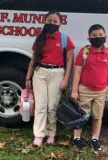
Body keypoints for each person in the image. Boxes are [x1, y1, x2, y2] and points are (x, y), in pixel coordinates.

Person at [25, 11, 75, 147]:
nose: (52, 23)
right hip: (40, 72)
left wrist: (66, 79)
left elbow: (70, 61)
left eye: (55, 21)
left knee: (52, 106)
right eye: (49, 21)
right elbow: (33, 59)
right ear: (45, 22)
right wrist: (28, 77)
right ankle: (39, 135)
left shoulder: (65, 39)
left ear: (60, 23)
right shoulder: (40, 38)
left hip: (57, 73)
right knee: (40, 106)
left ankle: (51, 133)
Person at [71, 24, 108, 151]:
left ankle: (95, 139)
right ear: (89, 38)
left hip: (101, 92)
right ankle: (76, 138)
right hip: (85, 90)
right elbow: (78, 72)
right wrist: (74, 90)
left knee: (98, 116)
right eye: (94, 36)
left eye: (100, 35)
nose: (98, 37)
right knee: (81, 115)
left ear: (105, 37)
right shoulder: (84, 52)